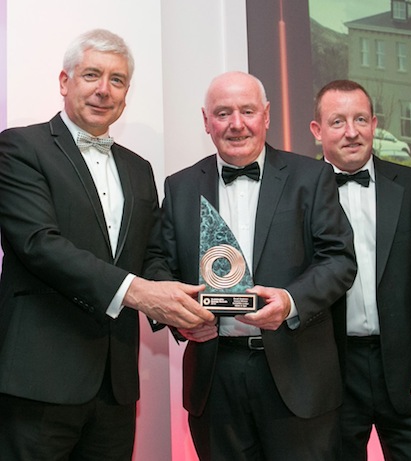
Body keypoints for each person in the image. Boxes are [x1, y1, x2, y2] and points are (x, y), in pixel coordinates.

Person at [0, 29, 213, 460]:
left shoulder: (139, 168)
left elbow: (150, 256)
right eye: (92, 75)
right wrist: (143, 294)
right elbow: (40, 244)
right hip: (38, 380)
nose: (103, 90)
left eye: (116, 80)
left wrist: (182, 312)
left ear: (126, 93)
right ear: (65, 82)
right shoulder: (20, 146)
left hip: (115, 388)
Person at [161, 71, 357, 460]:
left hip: (298, 374)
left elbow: (339, 259)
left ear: (266, 116)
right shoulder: (179, 186)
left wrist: (289, 301)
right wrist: (178, 315)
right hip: (215, 379)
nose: (236, 124)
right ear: (206, 121)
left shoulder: (312, 176)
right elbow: (158, 264)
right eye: (223, 113)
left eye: (247, 111)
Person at [309, 79, 411, 461]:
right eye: (338, 121)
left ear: (375, 124)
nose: (352, 131)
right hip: (330, 374)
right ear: (317, 130)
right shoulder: (295, 190)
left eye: (360, 119)